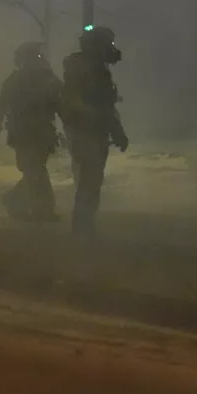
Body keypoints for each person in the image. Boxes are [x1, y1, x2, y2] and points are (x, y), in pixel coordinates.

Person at [61, 26, 128, 241]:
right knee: (91, 180)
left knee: (87, 178)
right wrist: (118, 133)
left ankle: (83, 225)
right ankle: (83, 227)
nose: (112, 48)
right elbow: (102, 107)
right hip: (89, 131)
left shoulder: (80, 67)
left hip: (81, 130)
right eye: (108, 44)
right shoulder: (94, 70)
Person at [0, 41, 63, 222]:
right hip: (25, 134)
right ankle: (40, 209)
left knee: (34, 171)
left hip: (38, 133)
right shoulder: (19, 80)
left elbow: (61, 102)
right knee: (35, 170)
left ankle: (21, 202)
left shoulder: (44, 79)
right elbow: (1, 107)